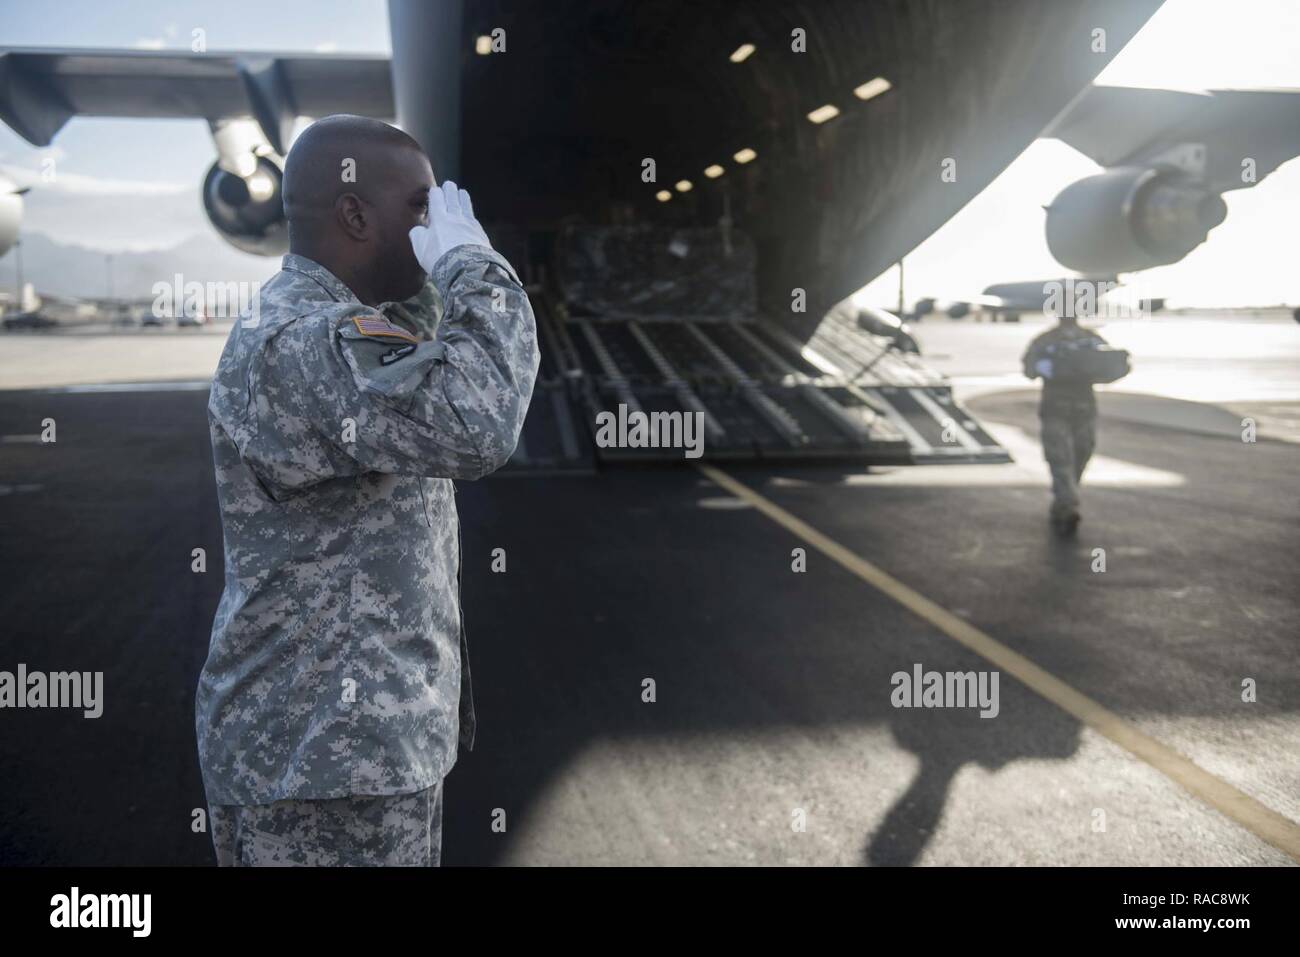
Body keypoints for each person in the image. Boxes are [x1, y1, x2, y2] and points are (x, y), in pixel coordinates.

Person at [196, 114, 540, 865]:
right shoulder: (303, 341)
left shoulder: (343, 327)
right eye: (419, 207)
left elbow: (425, 352)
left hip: (355, 753)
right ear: (354, 213)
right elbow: (477, 420)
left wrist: (437, 266)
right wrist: (475, 265)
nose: (434, 226)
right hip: (320, 765)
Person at [1021, 310, 1110, 536]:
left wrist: (1093, 368)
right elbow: (1028, 368)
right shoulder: (1045, 340)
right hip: (1055, 409)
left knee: (1082, 453)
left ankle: (1064, 499)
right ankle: (1068, 503)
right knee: (1059, 457)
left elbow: (1110, 367)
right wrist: (1047, 367)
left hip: (1084, 409)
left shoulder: (1091, 338)